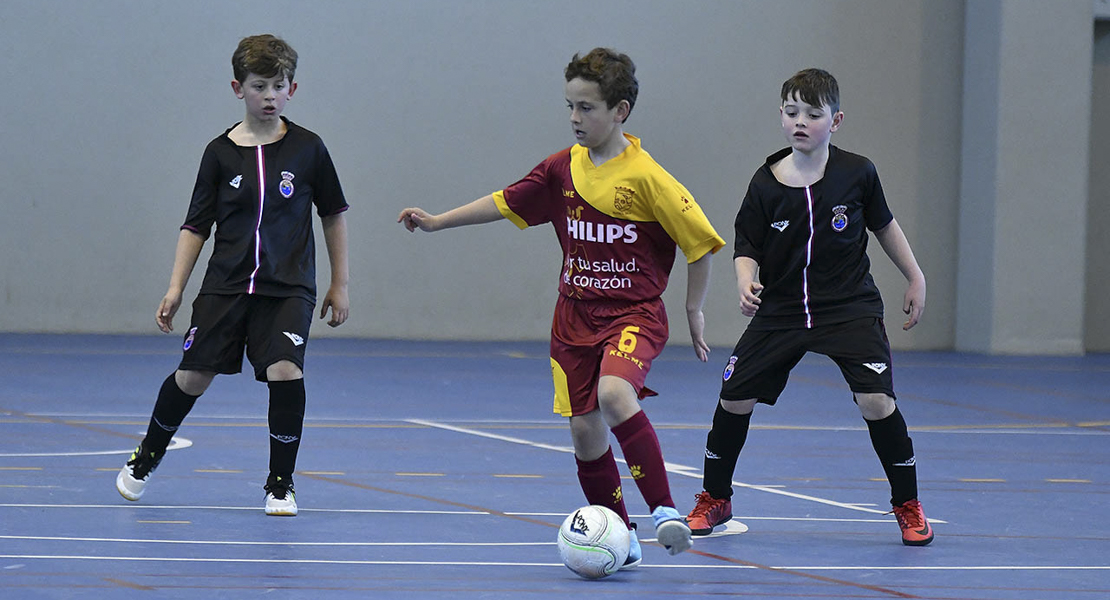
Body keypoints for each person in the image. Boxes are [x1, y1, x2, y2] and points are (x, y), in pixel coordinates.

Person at [398, 48, 725, 566]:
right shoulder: (559, 169)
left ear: (620, 110)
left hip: (632, 314)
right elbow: (504, 201)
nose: (575, 118)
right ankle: (620, 536)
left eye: (587, 108)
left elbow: (702, 243)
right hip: (572, 318)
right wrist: (438, 221)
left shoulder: (648, 178)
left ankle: (665, 511)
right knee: (583, 429)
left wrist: (693, 309)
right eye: (570, 106)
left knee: (615, 393)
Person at [685, 68, 933, 546]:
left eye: (813, 114)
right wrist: (744, 280)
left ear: (835, 120)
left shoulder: (857, 172)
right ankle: (715, 497)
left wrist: (915, 276)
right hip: (780, 312)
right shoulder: (764, 183)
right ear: (781, 116)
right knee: (734, 395)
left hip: (848, 309)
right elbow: (746, 244)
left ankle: (907, 504)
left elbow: (885, 226)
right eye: (792, 112)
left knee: (877, 401)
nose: (801, 121)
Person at [116, 34, 350, 517]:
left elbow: (333, 214)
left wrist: (339, 282)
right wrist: (176, 287)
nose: (269, 95)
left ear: (293, 89)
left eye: (278, 86)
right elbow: (196, 225)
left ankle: (280, 484)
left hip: (287, 288)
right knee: (193, 376)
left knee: (286, 369)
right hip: (226, 286)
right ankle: (146, 457)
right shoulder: (219, 153)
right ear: (237, 87)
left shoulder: (309, 149)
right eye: (259, 85)